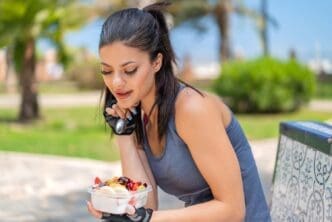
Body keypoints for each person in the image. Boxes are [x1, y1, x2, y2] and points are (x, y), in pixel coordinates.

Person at [87, 1, 271, 221]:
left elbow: (232, 211)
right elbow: (147, 204)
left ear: (156, 62)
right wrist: (124, 135)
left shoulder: (191, 108)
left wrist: (147, 219)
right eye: (106, 71)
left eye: (129, 70)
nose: (116, 82)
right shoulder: (141, 113)